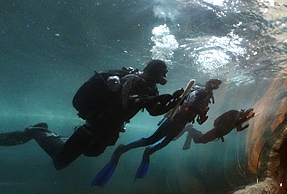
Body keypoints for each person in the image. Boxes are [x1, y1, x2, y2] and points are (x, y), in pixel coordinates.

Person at [0, 60, 180, 170]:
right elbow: (125, 103)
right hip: (95, 126)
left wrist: (172, 102)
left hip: (111, 129)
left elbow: (153, 111)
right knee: (60, 161)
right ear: (155, 72)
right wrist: (147, 100)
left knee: (92, 152)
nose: (164, 77)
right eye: (163, 73)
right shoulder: (131, 80)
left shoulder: (151, 88)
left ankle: (61, 139)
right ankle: (38, 131)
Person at [92, 79, 221, 186]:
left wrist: (201, 118)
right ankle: (123, 149)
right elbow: (188, 106)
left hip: (181, 124)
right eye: (215, 84)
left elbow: (198, 118)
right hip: (174, 119)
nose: (217, 86)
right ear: (210, 83)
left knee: (163, 143)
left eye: (218, 85)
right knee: (151, 140)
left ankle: (148, 151)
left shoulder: (208, 98)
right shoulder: (198, 92)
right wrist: (197, 112)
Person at [180, 108, 255, 150]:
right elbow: (220, 120)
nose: (249, 117)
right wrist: (219, 127)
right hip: (217, 131)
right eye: (249, 115)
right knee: (200, 140)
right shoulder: (236, 114)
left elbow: (238, 128)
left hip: (219, 133)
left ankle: (191, 131)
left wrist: (245, 127)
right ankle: (189, 129)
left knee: (202, 140)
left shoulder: (240, 119)